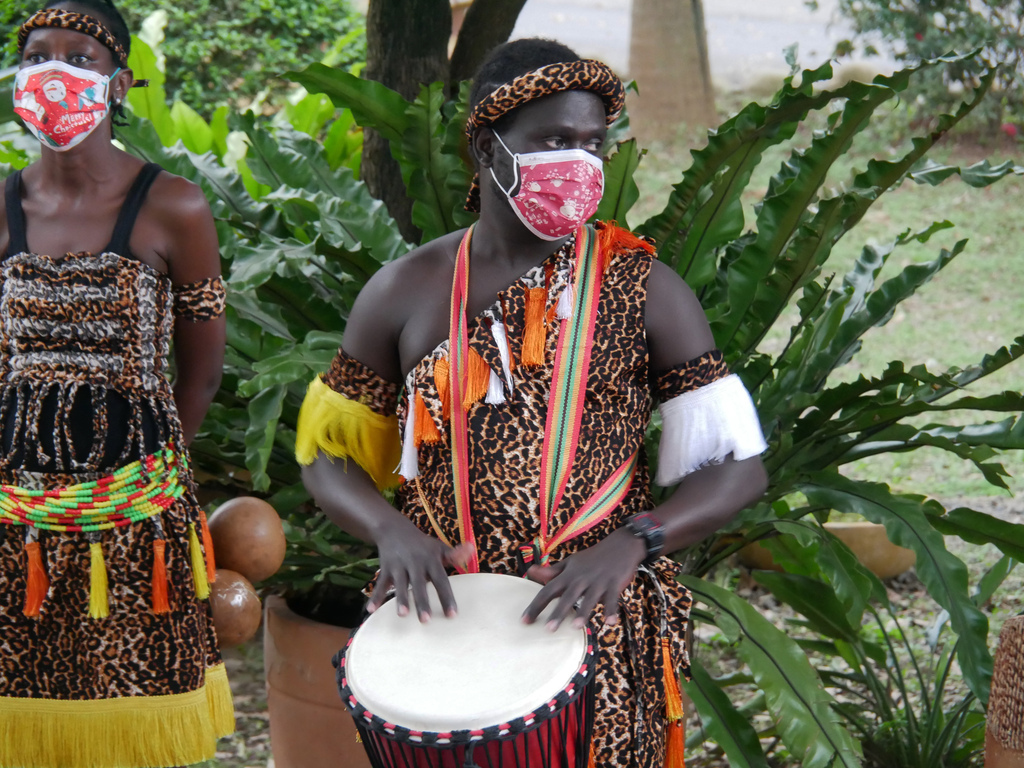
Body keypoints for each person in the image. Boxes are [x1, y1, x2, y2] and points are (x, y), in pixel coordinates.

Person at [298, 38, 769, 767]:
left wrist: (634, 543)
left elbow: (740, 468)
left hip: (597, 618)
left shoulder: (644, 289)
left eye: (593, 143)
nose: (579, 163)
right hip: (444, 622)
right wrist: (390, 531)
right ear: (488, 149)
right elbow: (326, 455)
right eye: (554, 140)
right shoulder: (405, 290)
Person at [0, 2, 233, 766]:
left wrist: (149, 470)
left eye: (81, 58)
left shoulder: (174, 207)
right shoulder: (1, 206)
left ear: (120, 84)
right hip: (13, 515)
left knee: (131, 716)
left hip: (138, 517)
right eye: (38, 54)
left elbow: (200, 370)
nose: (55, 73)